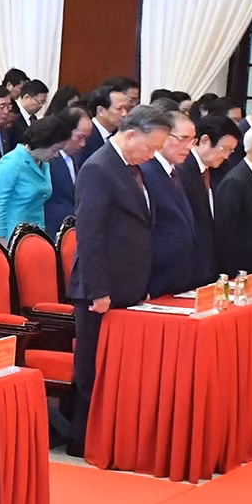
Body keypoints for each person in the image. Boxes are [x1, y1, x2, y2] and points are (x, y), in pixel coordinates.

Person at [68, 105, 175, 452]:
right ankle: (83, 440)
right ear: (130, 134)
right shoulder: (99, 168)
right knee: (93, 368)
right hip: (102, 289)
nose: (151, 155)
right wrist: (98, 289)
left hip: (130, 283)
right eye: (149, 146)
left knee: (117, 369)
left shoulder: (131, 168)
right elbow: (90, 233)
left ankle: (112, 436)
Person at [175, 115, 238, 286]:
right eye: (224, 149)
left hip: (208, 267)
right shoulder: (182, 170)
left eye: (231, 152)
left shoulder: (217, 171)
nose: (226, 156)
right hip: (188, 269)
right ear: (204, 140)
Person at [143, 113, 198, 297]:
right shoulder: (147, 171)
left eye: (192, 140)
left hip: (180, 277)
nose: (189, 147)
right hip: (156, 279)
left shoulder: (177, 171)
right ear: (163, 136)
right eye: (183, 139)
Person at [0, 115, 69, 240]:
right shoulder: (12, 162)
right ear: (43, 142)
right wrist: (0, 238)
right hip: (12, 236)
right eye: (55, 150)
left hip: (37, 234)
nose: (56, 155)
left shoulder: (44, 164)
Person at [44, 107, 90, 236]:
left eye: (86, 138)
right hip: (51, 230)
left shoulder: (77, 158)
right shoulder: (48, 159)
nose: (83, 144)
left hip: (71, 231)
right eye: (80, 137)